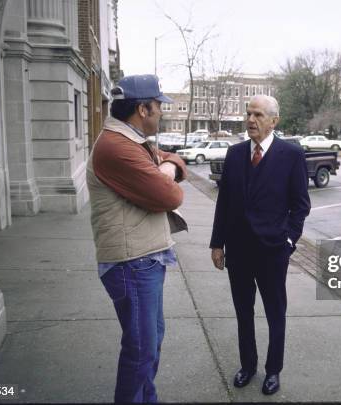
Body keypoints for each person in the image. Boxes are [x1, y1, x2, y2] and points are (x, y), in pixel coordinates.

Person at [87, 74, 187, 403]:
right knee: (141, 351)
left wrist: (167, 167)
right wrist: (165, 172)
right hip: (133, 263)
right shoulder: (117, 148)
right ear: (142, 109)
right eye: (158, 105)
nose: (162, 111)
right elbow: (170, 197)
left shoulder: (129, 141)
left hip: (142, 259)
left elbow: (174, 163)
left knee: (150, 341)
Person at [210, 95, 311, 395]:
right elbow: (224, 203)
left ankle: (273, 370)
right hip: (238, 251)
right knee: (243, 312)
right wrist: (217, 244)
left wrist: (288, 242)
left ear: (274, 121)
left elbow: (300, 206)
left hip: (272, 252)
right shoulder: (235, 153)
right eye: (248, 114)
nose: (250, 120)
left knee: (274, 313)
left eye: (258, 115)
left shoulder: (291, 155)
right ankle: (248, 365)